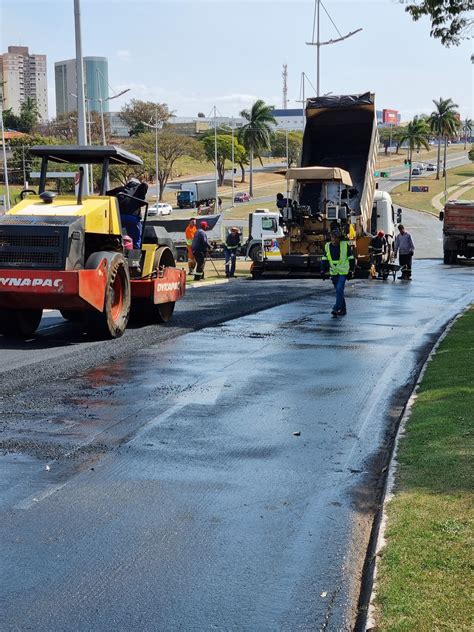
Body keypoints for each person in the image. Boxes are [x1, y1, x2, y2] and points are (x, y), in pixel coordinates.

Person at [321, 228, 355, 316]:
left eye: (336, 238)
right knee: (339, 291)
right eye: (332, 237)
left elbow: (351, 258)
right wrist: (322, 270)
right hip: (334, 272)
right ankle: (343, 310)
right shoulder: (327, 246)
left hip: (343, 272)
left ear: (339, 239)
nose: (334, 240)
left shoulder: (345, 245)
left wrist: (351, 270)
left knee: (339, 289)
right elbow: (324, 259)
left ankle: (336, 307)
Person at [107, 178, 148, 248]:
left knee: (117, 235)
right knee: (136, 237)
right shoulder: (139, 187)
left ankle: (118, 247)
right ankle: (136, 252)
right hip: (133, 217)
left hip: (119, 217)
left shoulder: (121, 189)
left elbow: (107, 193)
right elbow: (145, 186)